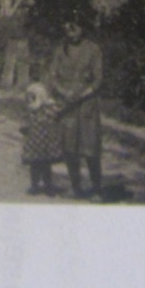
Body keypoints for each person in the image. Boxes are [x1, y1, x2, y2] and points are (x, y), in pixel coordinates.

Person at [47, 17, 104, 199]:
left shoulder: (93, 50)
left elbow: (98, 79)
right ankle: (77, 188)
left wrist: (84, 93)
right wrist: (63, 92)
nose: (71, 32)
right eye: (67, 29)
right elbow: (53, 77)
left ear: (82, 27)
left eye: (75, 27)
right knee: (70, 149)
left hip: (87, 105)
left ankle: (97, 189)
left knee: (90, 149)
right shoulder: (60, 51)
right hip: (67, 107)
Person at [20, 81, 64, 196]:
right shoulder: (30, 110)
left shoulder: (46, 109)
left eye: (33, 98)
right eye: (29, 98)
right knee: (35, 165)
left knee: (45, 165)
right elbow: (24, 123)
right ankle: (35, 185)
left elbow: (57, 113)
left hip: (44, 142)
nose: (30, 100)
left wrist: (52, 104)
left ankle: (47, 185)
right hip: (35, 143)